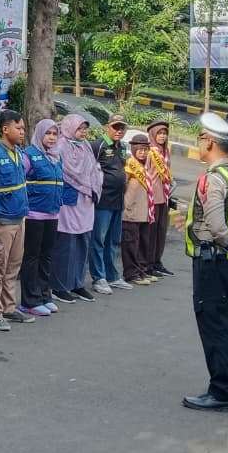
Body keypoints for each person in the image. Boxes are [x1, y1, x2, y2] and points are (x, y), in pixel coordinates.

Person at [178, 112, 228, 412]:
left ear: (209, 142)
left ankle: (221, 392)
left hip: (215, 261)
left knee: (215, 324)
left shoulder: (213, 178)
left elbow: (218, 226)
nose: (199, 144)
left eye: (200, 138)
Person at [0, 109, 30, 331]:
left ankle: (8, 307)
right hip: (1, 221)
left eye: (23, 128)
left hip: (18, 219)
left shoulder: (17, 152)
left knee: (13, 266)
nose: (22, 132)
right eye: (18, 128)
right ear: (5, 129)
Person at [52, 115, 102, 303]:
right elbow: (64, 171)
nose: (83, 132)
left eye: (85, 129)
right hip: (68, 201)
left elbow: (94, 170)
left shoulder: (86, 145)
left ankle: (77, 283)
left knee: (82, 242)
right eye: (79, 129)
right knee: (66, 244)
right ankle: (59, 286)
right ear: (70, 128)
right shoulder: (60, 146)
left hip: (86, 201)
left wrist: (94, 186)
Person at [19, 118, 63, 316]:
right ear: (39, 134)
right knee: (32, 257)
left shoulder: (56, 157)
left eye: (55, 134)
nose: (52, 138)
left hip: (52, 214)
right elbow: (20, 181)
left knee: (46, 256)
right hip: (34, 214)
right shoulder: (29, 155)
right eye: (48, 133)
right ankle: (30, 301)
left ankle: (45, 295)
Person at [91, 115, 133, 292]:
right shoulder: (98, 145)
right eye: (116, 127)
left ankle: (113, 276)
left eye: (122, 128)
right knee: (99, 240)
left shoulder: (122, 147)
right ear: (107, 127)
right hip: (103, 200)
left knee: (114, 240)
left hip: (118, 200)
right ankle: (98, 277)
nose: (119, 131)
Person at [121, 131, 158, 286]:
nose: (142, 153)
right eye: (140, 150)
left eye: (145, 150)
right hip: (130, 213)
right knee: (131, 244)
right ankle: (131, 273)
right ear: (134, 150)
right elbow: (122, 188)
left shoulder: (146, 166)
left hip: (144, 212)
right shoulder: (129, 166)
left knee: (143, 243)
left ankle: (141, 270)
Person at [146, 119, 175, 277]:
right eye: (159, 133)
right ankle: (148, 264)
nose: (162, 136)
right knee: (150, 233)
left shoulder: (165, 151)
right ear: (153, 134)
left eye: (165, 133)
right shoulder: (149, 151)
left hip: (164, 197)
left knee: (161, 231)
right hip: (152, 197)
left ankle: (157, 261)